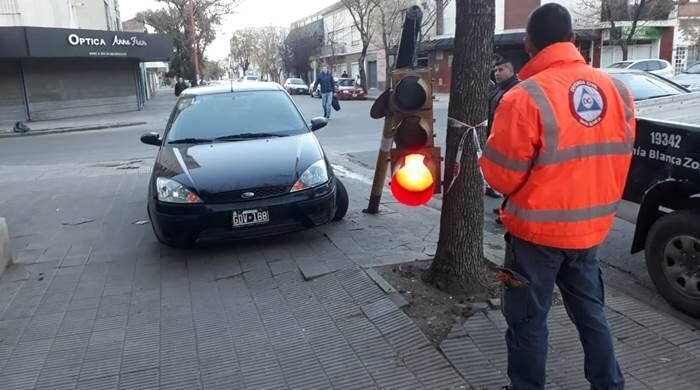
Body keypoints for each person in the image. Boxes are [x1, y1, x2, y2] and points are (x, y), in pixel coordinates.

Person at [479, 4, 635, 390]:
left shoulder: (523, 97)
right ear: (572, 39)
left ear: (529, 43)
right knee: (591, 315)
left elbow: (501, 177)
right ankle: (609, 385)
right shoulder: (617, 89)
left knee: (528, 323)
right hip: (589, 232)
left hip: (536, 237)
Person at [485, 57, 519, 202]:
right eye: (495, 70)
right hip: (494, 135)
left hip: (510, 139)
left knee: (511, 175)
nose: (497, 73)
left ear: (511, 71)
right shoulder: (497, 88)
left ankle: (508, 206)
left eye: (501, 70)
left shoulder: (518, 89)